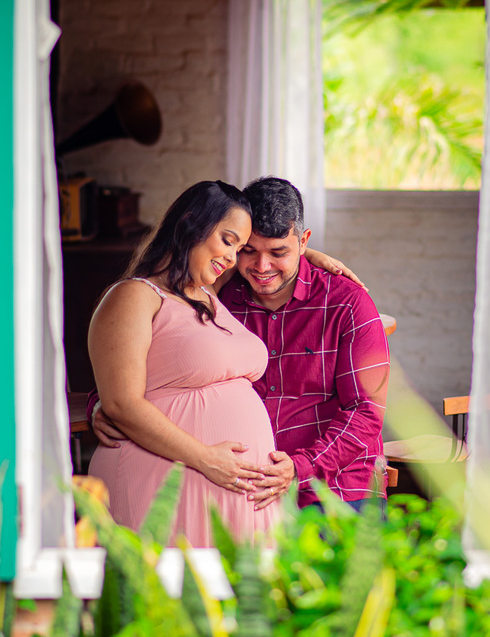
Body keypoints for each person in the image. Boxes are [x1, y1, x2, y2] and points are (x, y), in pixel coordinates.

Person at [95, 177, 390, 513]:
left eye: (279, 252)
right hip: (234, 487)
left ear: (303, 241)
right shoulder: (219, 289)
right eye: (247, 250)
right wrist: (101, 401)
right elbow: (138, 353)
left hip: (329, 486)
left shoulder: (347, 302)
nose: (261, 267)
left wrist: (299, 468)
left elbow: (366, 412)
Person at [85, 180, 278, 546]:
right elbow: (121, 403)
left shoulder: (206, 293)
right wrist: (206, 459)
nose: (232, 258)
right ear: (192, 223)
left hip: (228, 488)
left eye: (240, 249)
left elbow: (275, 258)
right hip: (163, 482)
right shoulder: (135, 296)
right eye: (228, 240)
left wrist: (310, 254)